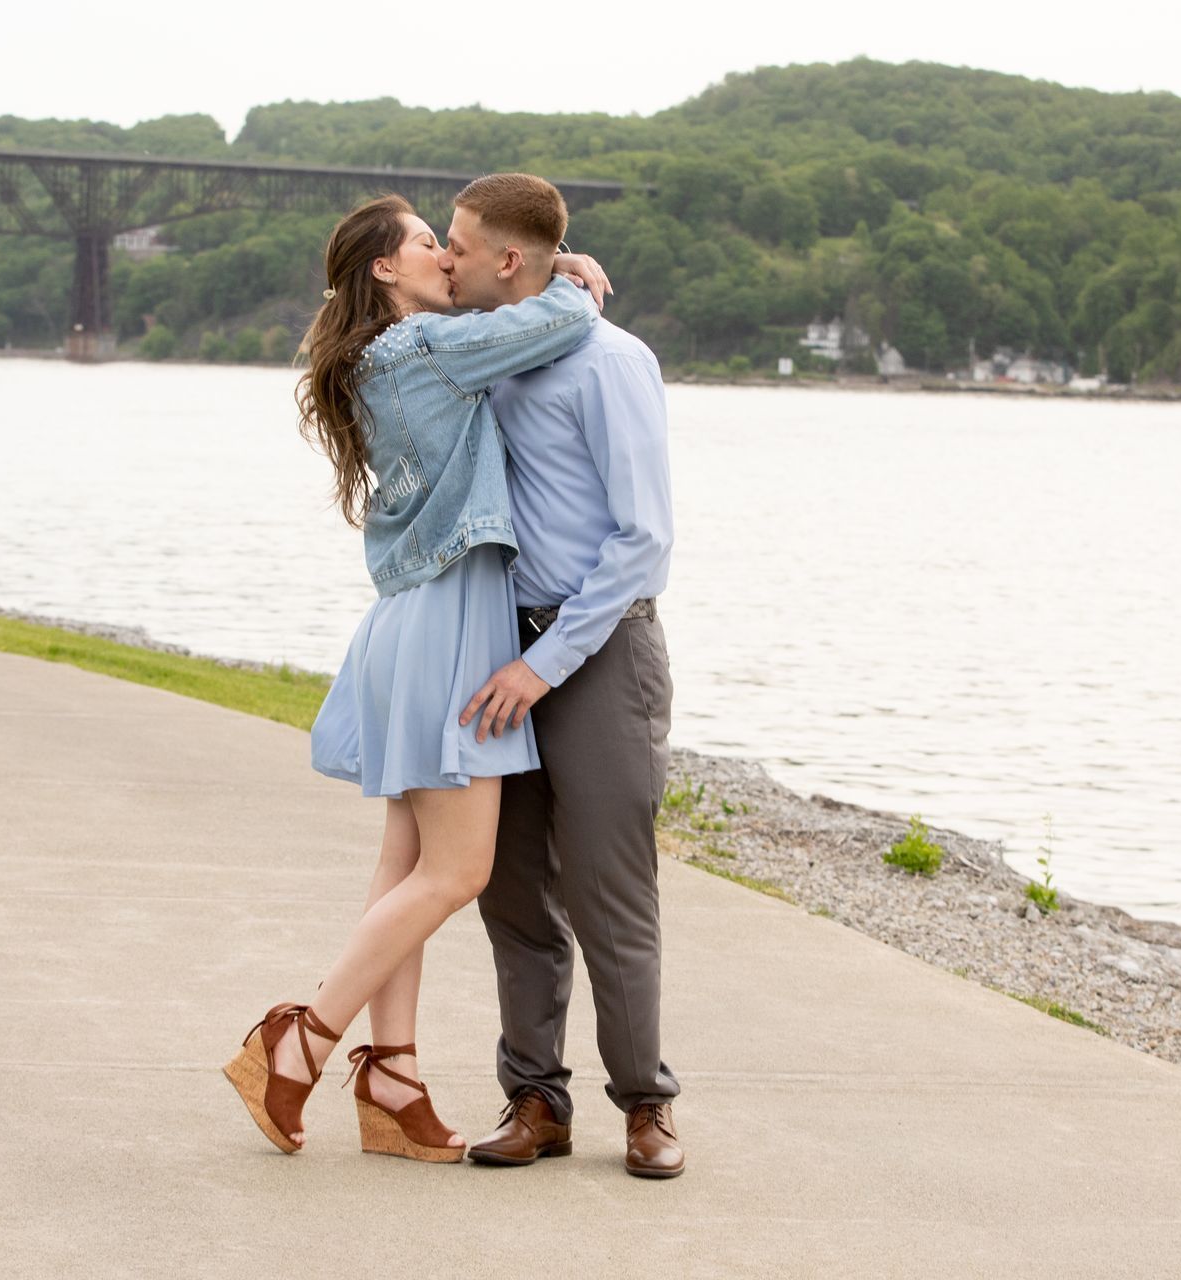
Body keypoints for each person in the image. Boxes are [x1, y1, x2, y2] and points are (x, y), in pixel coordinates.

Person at [222, 192, 610, 1164]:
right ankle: (300, 1038)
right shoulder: (425, 352)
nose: (447, 257)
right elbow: (557, 318)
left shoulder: (379, 360)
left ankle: (392, 1076)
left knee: (404, 864)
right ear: (387, 271)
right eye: (430, 244)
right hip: (449, 623)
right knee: (458, 869)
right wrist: (570, 272)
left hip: (411, 619)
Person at [438, 174, 684, 1179]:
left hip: (598, 653)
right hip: (499, 650)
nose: (445, 256)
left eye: (458, 243)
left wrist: (543, 667)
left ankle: (647, 1106)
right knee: (510, 892)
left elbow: (642, 540)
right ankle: (536, 1098)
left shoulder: (612, 362)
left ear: (508, 259)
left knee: (608, 894)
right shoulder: (486, 349)